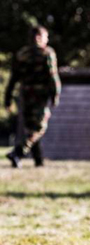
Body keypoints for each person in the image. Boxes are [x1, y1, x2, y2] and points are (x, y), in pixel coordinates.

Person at [4, 25, 61, 168]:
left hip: (25, 95)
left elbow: (14, 77)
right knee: (39, 127)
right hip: (40, 96)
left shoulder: (22, 54)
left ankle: (38, 160)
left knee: (30, 127)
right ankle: (18, 152)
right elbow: (53, 77)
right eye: (45, 37)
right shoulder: (47, 53)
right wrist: (55, 94)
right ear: (40, 38)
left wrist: (8, 97)